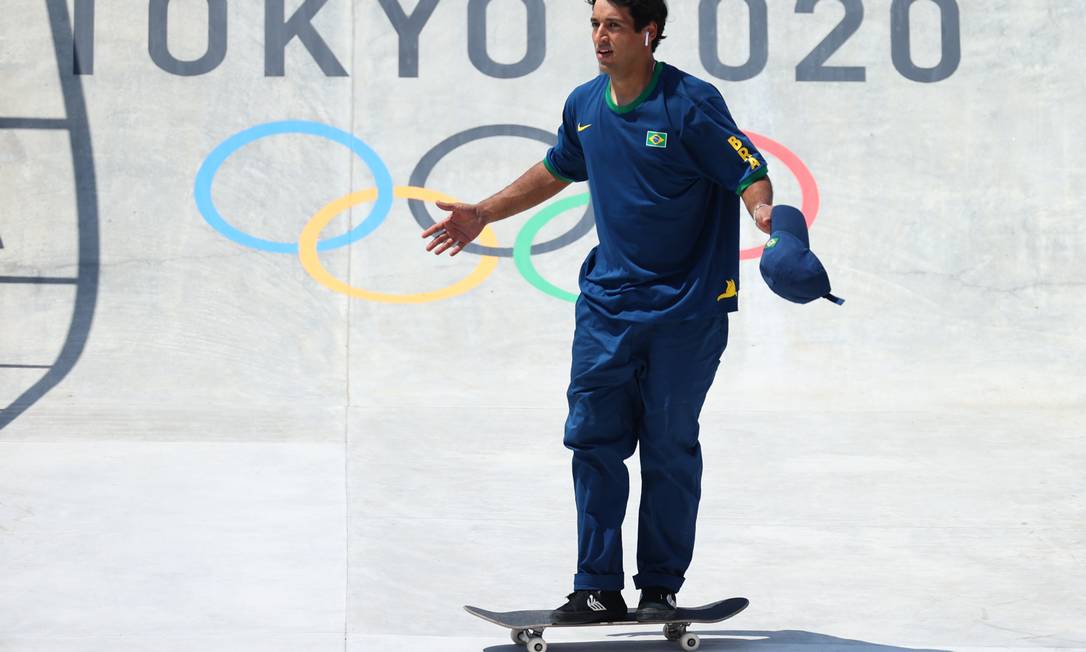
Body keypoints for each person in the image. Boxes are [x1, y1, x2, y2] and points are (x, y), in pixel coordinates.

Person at [422, 0, 773, 624]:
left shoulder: (690, 104)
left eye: (613, 25)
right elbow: (558, 167)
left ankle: (661, 589)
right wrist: (483, 212)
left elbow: (748, 169)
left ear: (649, 31)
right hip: (607, 307)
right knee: (592, 440)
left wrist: (765, 214)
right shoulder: (585, 105)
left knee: (668, 445)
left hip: (687, 310)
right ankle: (596, 586)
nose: (600, 37)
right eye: (594, 24)